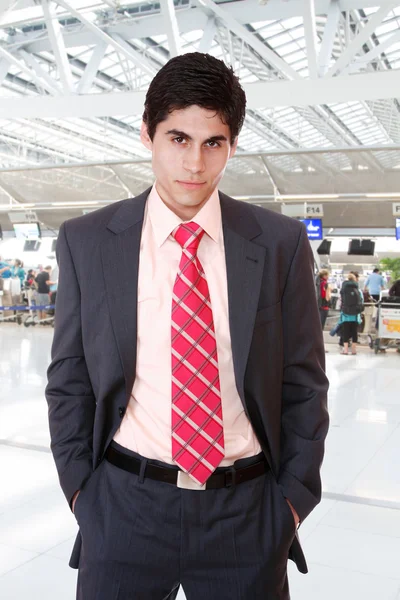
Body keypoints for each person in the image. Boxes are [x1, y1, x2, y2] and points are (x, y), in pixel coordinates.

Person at [46, 52, 329, 600]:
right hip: (124, 507)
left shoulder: (278, 244)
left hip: (245, 513)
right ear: (147, 134)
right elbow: (70, 379)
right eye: (178, 139)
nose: (195, 164)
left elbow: (304, 384)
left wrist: (290, 503)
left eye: (213, 143)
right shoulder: (87, 242)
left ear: (233, 144)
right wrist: (83, 493)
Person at [339, 273, 364, 355]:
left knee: (345, 331)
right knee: (354, 332)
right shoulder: (358, 290)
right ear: (355, 280)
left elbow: (341, 301)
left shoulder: (343, 290)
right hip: (355, 314)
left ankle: (345, 350)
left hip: (345, 314)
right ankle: (354, 350)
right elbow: (361, 302)